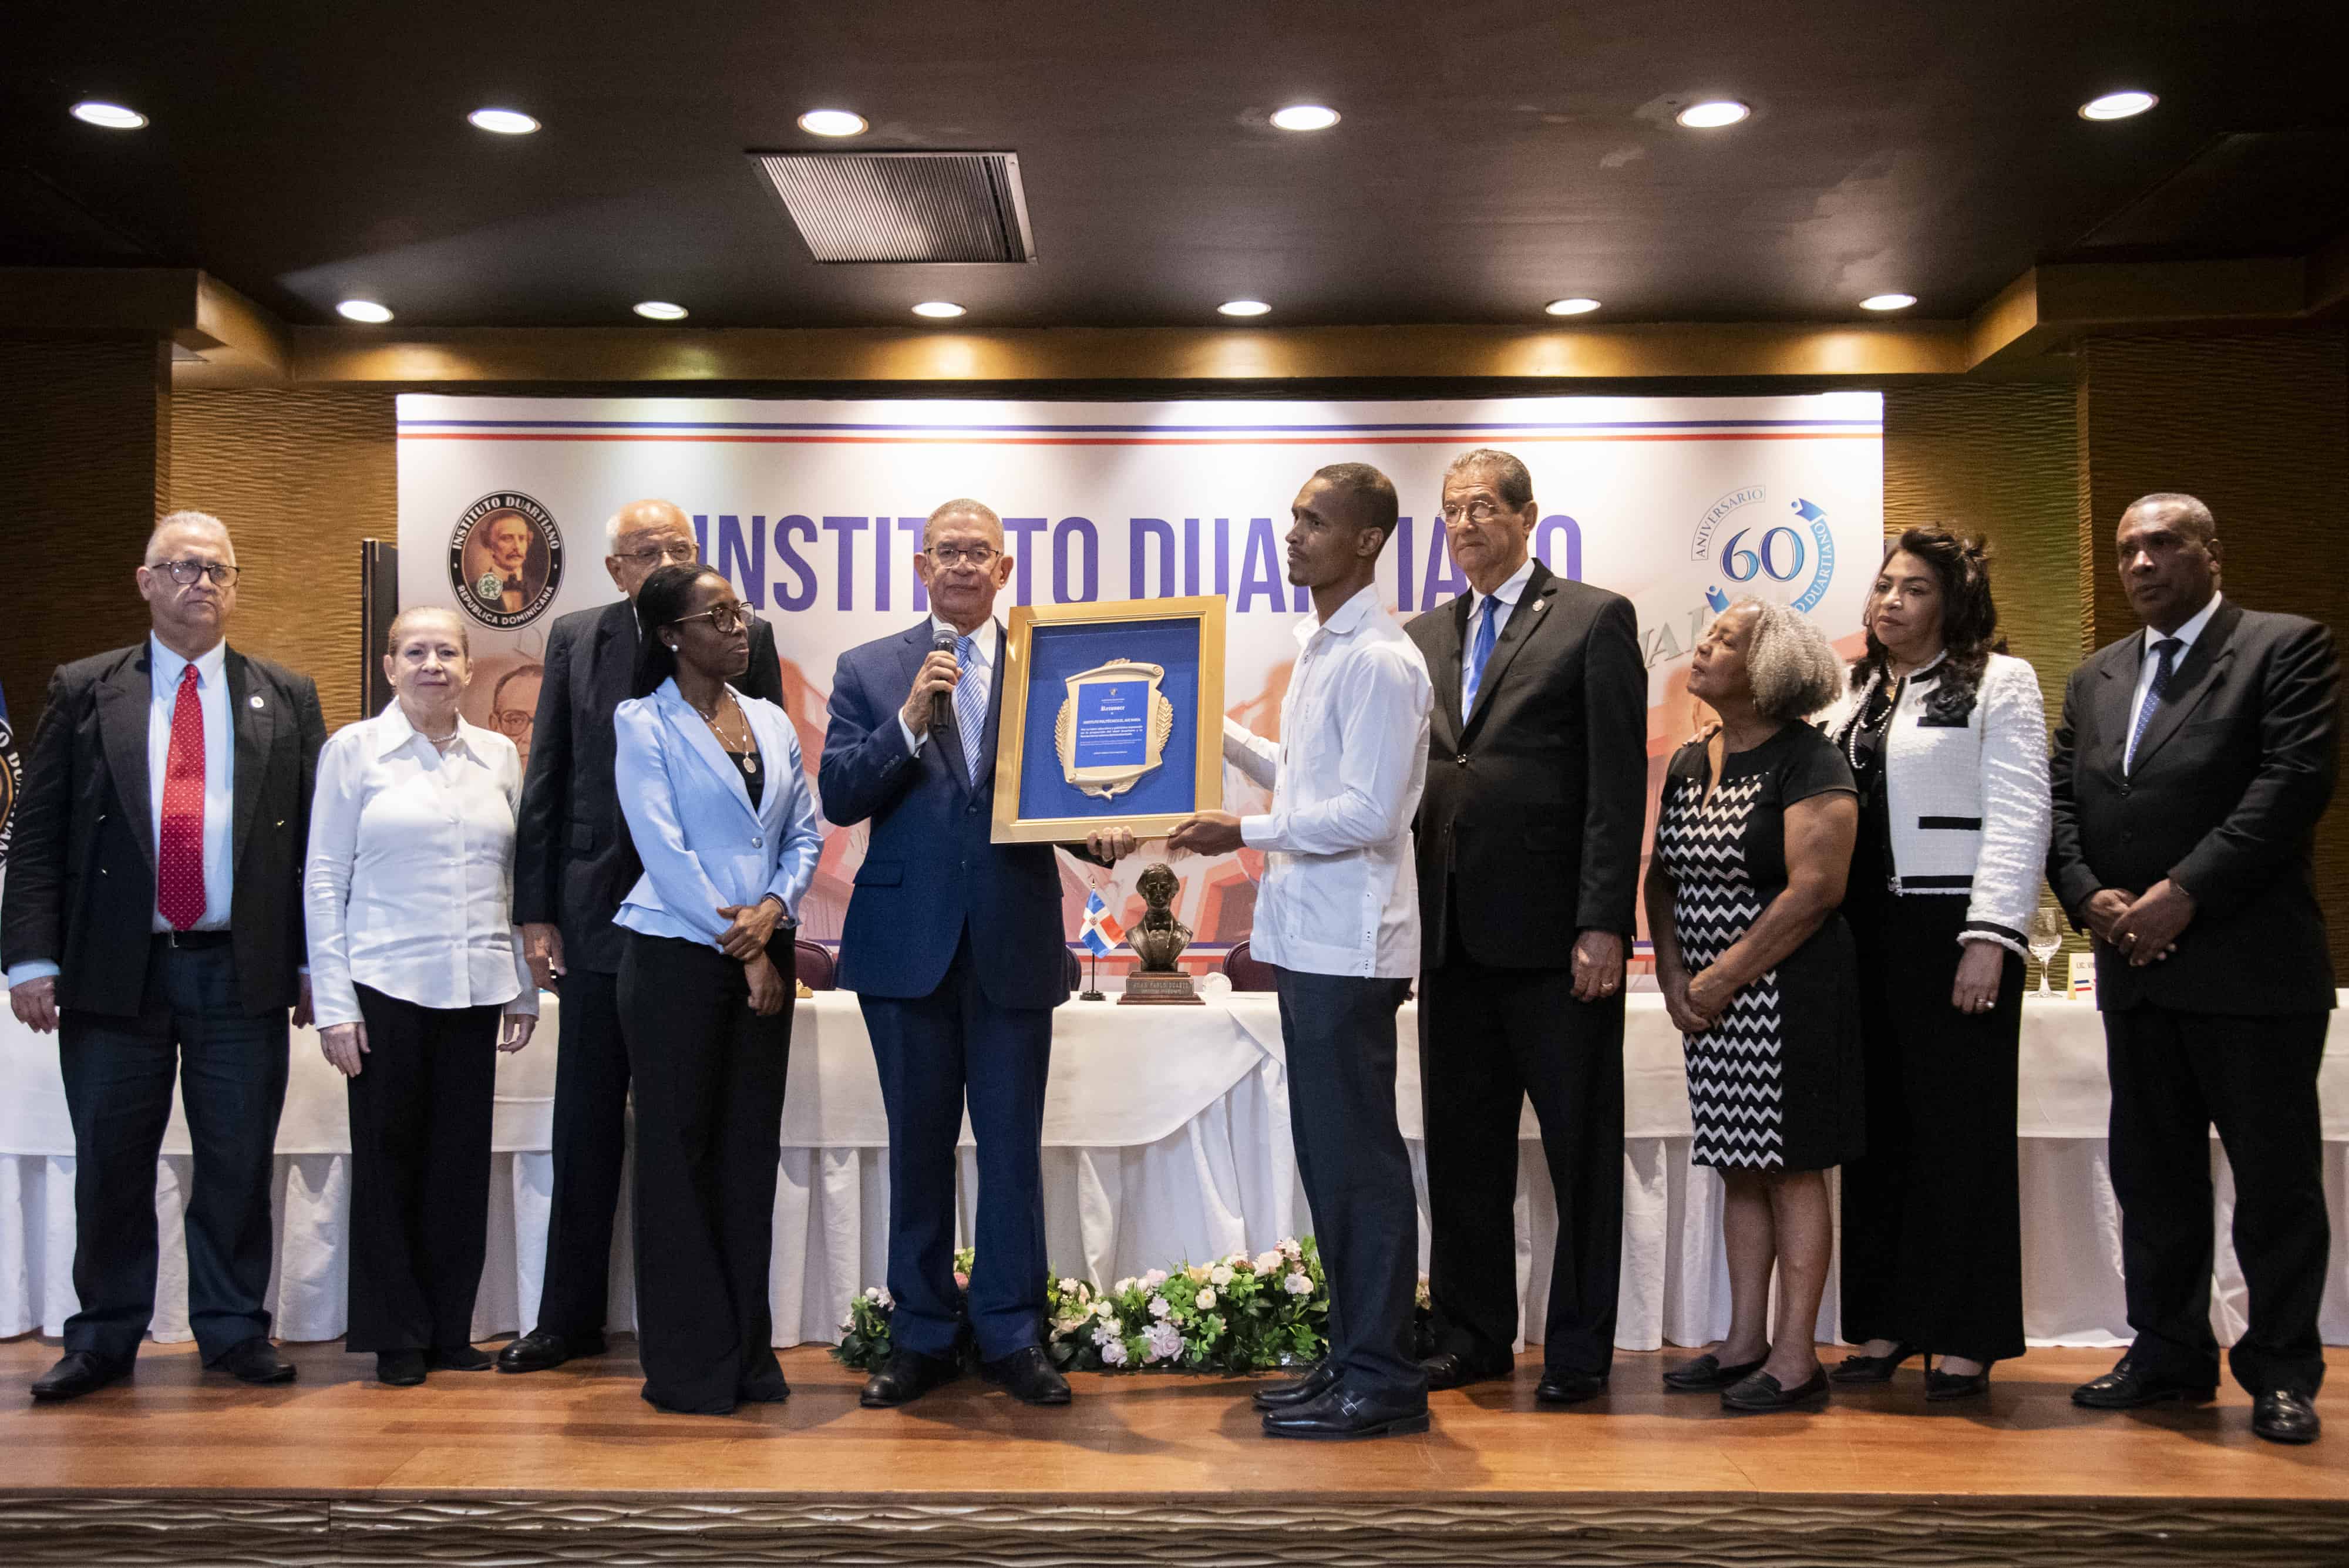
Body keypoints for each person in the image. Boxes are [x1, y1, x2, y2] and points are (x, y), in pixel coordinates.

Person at [4, 511, 325, 1402]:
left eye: (218, 569)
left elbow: (311, 850)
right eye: (181, 568)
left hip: (241, 968)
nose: (202, 583)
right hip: (115, 970)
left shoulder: (285, 694)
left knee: (235, 1158)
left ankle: (230, 1330)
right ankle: (104, 1334)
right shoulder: (83, 688)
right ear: (145, 581)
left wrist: (311, 963)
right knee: (109, 1159)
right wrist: (30, 957)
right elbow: (38, 836)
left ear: (236, 584)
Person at [2048, 492, 2336, 1446]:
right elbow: (2061, 801)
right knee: (2154, 1179)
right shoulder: (2097, 677)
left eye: (2163, 544)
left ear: (2213, 553)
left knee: (2275, 1183)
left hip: (2250, 969)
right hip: (2135, 967)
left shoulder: (2284, 646)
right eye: (2129, 547)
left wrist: (2183, 892)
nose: (2140, 562)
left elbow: (2290, 785)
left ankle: (2282, 1368)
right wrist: (2089, 893)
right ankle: (2168, 1350)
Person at [820, 499, 1115, 1412]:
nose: (961, 565)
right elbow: (839, 792)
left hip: (1014, 941)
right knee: (917, 1149)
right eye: (946, 550)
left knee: (1012, 1151)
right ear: (919, 565)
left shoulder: (1053, 668)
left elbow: (1074, 787)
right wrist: (908, 721)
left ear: (1005, 568)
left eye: (978, 552)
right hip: (904, 948)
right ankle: (920, 1336)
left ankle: (1012, 1333)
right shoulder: (871, 669)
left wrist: (1103, 828)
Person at [1169, 463, 1434, 1440]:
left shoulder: (1377, 658)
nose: (1294, 535)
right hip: (1313, 935)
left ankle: (1382, 1376)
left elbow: (1366, 814)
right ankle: (1354, 1355)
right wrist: (1225, 738)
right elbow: (1314, 775)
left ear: (1368, 541)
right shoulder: (1326, 647)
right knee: (1334, 1161)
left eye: (1316, 522)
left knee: (1359, 1164)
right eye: (1293, 519)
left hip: (1350, 941)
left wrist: (1242, 831)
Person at [501, 499, 785, 1375]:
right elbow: (547, 771)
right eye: (645, 549)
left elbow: (763, 786)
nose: (664, 557)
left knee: (702, 1132)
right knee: (585, 1123)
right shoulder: (576, 637)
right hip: (595, 918)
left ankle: (722, 1330)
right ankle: (565, 1318)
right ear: (615, 568)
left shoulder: (747, 634)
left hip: (705, 928)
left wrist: (760, 916)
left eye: (681, 546)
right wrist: (535, 907)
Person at [1402, 449, 1645, 1406]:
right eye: (1451, 511)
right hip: (1450, 935)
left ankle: (1581, 1349)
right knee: (1464, 1153)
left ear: (1527, 516)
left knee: (1580, 1151)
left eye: (1482, 508)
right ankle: (1473, 1333)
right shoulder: (1422, 634)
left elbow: (1615, 786)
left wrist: (1602, 923)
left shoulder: (1593, 619)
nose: (1465, 525)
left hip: (1557, 944)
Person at [1822, 528, 2049, 1401]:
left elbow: (2023, 811)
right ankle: (1887, 1317)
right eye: (1883, 585)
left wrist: (1992, 934)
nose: (1889, 601)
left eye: (1913, 588)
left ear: (1952, 601)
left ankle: (1966, 1333)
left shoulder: (2000, 682)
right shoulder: (1851, 694)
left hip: (1952, 929)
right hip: (1860, 933)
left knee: (1962, 1134)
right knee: (1874, 1134)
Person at [305, 608, 539, 1387]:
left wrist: (523, 987)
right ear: (389, 666)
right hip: (383, 988)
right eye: (416, 651)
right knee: (389, 1164)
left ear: (469, 668)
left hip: (474, 990)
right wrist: (335, 1003)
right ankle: (396, 1334)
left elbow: (511, 881)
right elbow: (325, 877)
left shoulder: (499, 754)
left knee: (458, 1168)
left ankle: (447, 1329)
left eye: (447, 651)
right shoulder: (354, 751)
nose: (432, 662)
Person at [611, 564, 822, 1414]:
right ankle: (689, 1368)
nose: (740, 628)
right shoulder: (642, 721)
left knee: (746, 1159)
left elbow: (804, 831)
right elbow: (664, 851)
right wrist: (747, 950)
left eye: (741, 614)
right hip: (677, 957)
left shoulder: (770, 720)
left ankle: (747, 1357)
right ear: (672, 634)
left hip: (762, 943)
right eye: (719, 615)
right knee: (677, 1158)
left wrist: (775, 908)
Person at [1644, 599, 1857, 1413]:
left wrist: (1721, 976)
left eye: (1723, 641)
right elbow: (1661, 874)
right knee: (1739, 1164)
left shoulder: (1811, 761)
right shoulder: (1693, 759)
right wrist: (1672, 974)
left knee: (1794, 1168)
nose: (1701, 647)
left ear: (1768, 671)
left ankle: (1797, 1357)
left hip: (1789, 994)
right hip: (1709, 1001)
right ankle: (1743, 1342)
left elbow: (1816, 890)